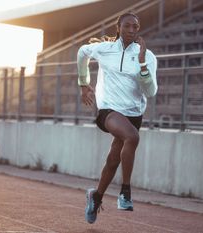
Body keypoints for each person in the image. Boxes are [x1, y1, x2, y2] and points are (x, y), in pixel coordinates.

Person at [76, 12, 158, 224]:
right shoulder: (105, 49)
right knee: (132, 138)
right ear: (118, 27)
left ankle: (96, 196)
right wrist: (83, 84)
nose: (131, 30)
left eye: (135, 27)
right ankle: (125, 193)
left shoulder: (148, 56)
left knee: (114, 159)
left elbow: (150, 91)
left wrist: (141, 63)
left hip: (134, 113)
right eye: (127, 26)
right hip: (109, 110)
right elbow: (82, 52)